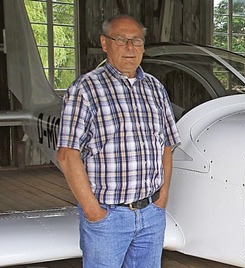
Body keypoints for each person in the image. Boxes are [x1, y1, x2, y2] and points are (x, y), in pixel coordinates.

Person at [56, 14, 181, 267]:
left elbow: (166, 145)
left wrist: (162, 197)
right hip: (108, 216)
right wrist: (94, 212)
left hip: (151, 214)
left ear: (143, 46)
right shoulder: (86, 89)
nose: (129, 47)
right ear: (105, 43)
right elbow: (67, 155)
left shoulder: (155, 89)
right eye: (121, 39)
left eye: (136, 41)